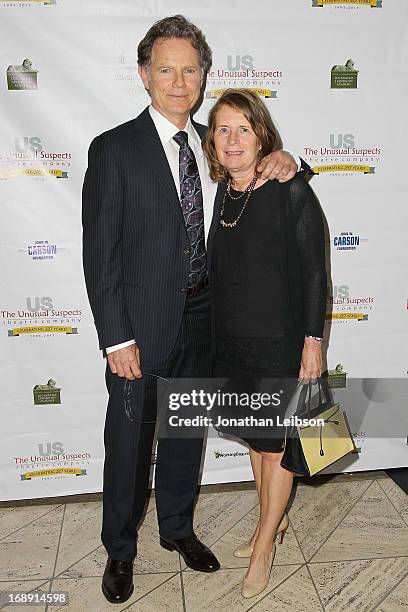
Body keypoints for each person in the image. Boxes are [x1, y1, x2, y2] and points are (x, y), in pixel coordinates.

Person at [82, 15, 303, 604]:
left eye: (189, 70)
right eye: (165, 70)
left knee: (184, 437)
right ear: (143, 75)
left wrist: (288, 159)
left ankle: (177, 529)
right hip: (140, 324)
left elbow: (271, 179)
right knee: (129, 444)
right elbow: (100, 254)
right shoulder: (112, 150)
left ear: (204, 76)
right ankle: (120, 551)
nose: (178, 81)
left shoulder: (218, 143)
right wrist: (115, 337)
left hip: (206, 320)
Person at [203, 89, 327, 599]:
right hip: (232, 344)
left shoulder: (289, 185)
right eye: (223, 129)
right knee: (257, 442)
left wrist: (313, 342)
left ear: (262, 135)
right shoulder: (224, 191)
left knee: (277, 449)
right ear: (211, 140)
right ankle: (266, 526)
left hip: (279, 342)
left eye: (244, 129)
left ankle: (264, 549)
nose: (233, 140)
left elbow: (316, 271)